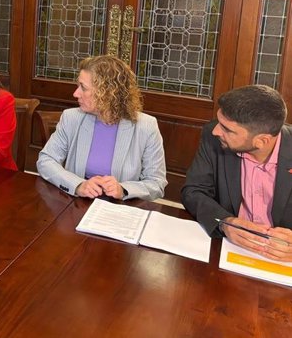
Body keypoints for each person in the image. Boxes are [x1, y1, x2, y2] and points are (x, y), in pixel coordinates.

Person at [182, 85, 292, 262]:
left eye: (227, 129)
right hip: (228, 250)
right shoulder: (213, 139)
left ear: (261, 141)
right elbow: (193, 191)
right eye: (219, 122)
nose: (216, 131)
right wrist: (225, 221)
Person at [37, 55, 167, 200]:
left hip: (119, 209)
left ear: (106, 94)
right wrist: (78, 185)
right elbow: (46, 161)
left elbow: (157, 183)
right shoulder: (71, 118)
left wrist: (123, 189)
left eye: (83, 88)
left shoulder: (146, 126)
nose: (76, 93)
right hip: (77, 202)